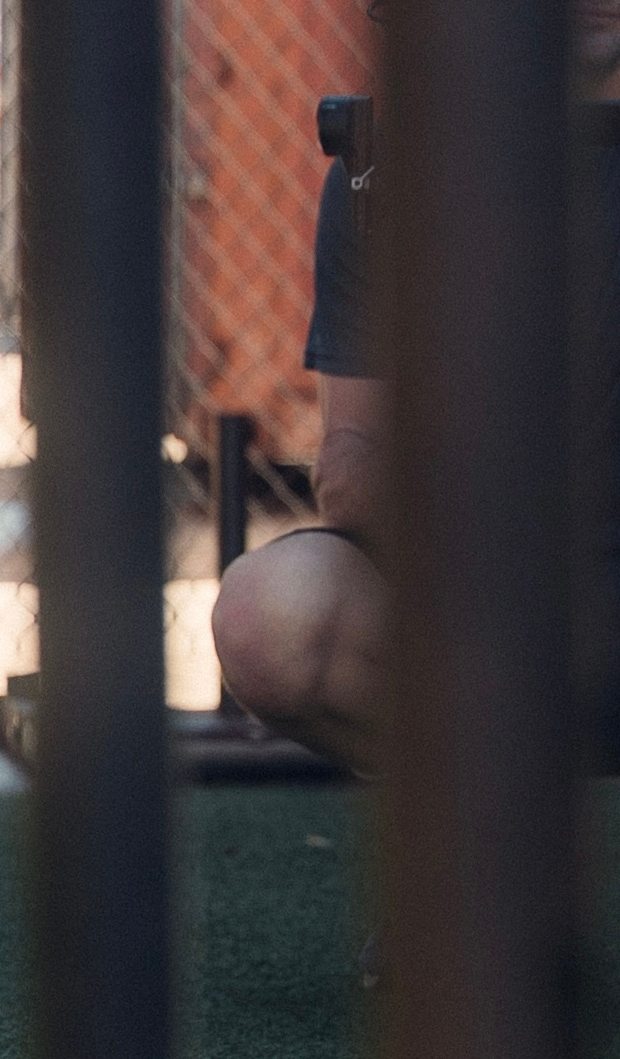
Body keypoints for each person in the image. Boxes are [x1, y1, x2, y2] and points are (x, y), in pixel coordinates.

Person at [212, 5, 620, 779]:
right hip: (496, 599)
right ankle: (471, 800)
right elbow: (351, 464)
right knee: (272, 615)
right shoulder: (395, 167)